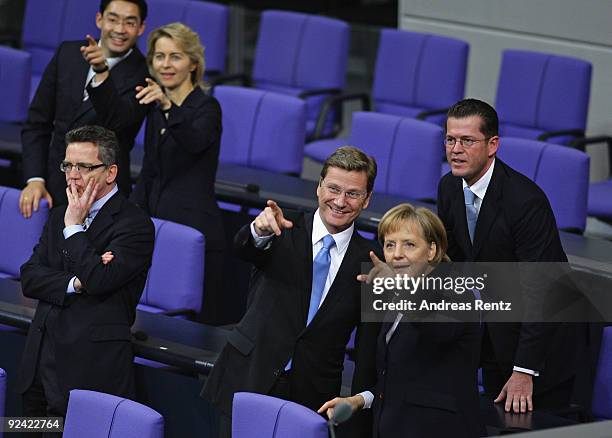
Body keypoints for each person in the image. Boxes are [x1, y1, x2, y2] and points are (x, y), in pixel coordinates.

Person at [202, 146, 381, 437]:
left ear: (367, 200)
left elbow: (367, 351)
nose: (339, 201)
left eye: (352, 193)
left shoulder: (371, 261)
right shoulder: (282, 227)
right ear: (318, 186)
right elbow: (245, 247)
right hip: (250, 375)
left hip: (313, 395)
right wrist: (258, 232)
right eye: (333, 188)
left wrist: (359, 406)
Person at [436, 98, 576, 414]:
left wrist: (525, 369)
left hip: (541, 349)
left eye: (467, 140)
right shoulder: (449, 187)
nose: (455, 149)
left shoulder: (525, 202)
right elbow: (453, 262)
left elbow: (543, 289)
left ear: (492, 145)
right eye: (450, 139)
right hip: (495, 330)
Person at [16, 125, 155, 419]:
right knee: (21, 430)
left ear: (111, 172)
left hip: (89, 372)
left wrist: (75, 229)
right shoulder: (60, 215)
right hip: (39, 366)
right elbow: (29, 277)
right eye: (68, 165)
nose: (72, 175)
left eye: (84, 167)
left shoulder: (134, 225)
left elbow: (100, 280)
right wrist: (76, 283)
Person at [319, 203, 482, 438]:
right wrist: (359, 400)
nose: (396, 254)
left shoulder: (458, 291)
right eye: (389, 245)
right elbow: (398, 379)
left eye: (409, 244)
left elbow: (437, 331)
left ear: (432, 250)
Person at [20, 0, 149, 218]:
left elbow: (118, 125)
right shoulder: (68, 53)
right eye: (113, 19)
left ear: (141, 28)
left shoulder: (145, 73)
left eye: (129, 22)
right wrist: (35, 179)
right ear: (100, 19)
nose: (119, 29)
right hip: (52, 184)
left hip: (101, 195)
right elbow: (37, 123)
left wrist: (101, 74)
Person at [130, 22, 224, 324]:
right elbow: (149, 171)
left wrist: (168, 106)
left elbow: (194, 143)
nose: (165, 64)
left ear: (193, 63)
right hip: (155, 222)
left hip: (192, 229)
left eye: (175, 56)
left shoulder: (207, 107)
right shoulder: (156, 106)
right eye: (159, 56)